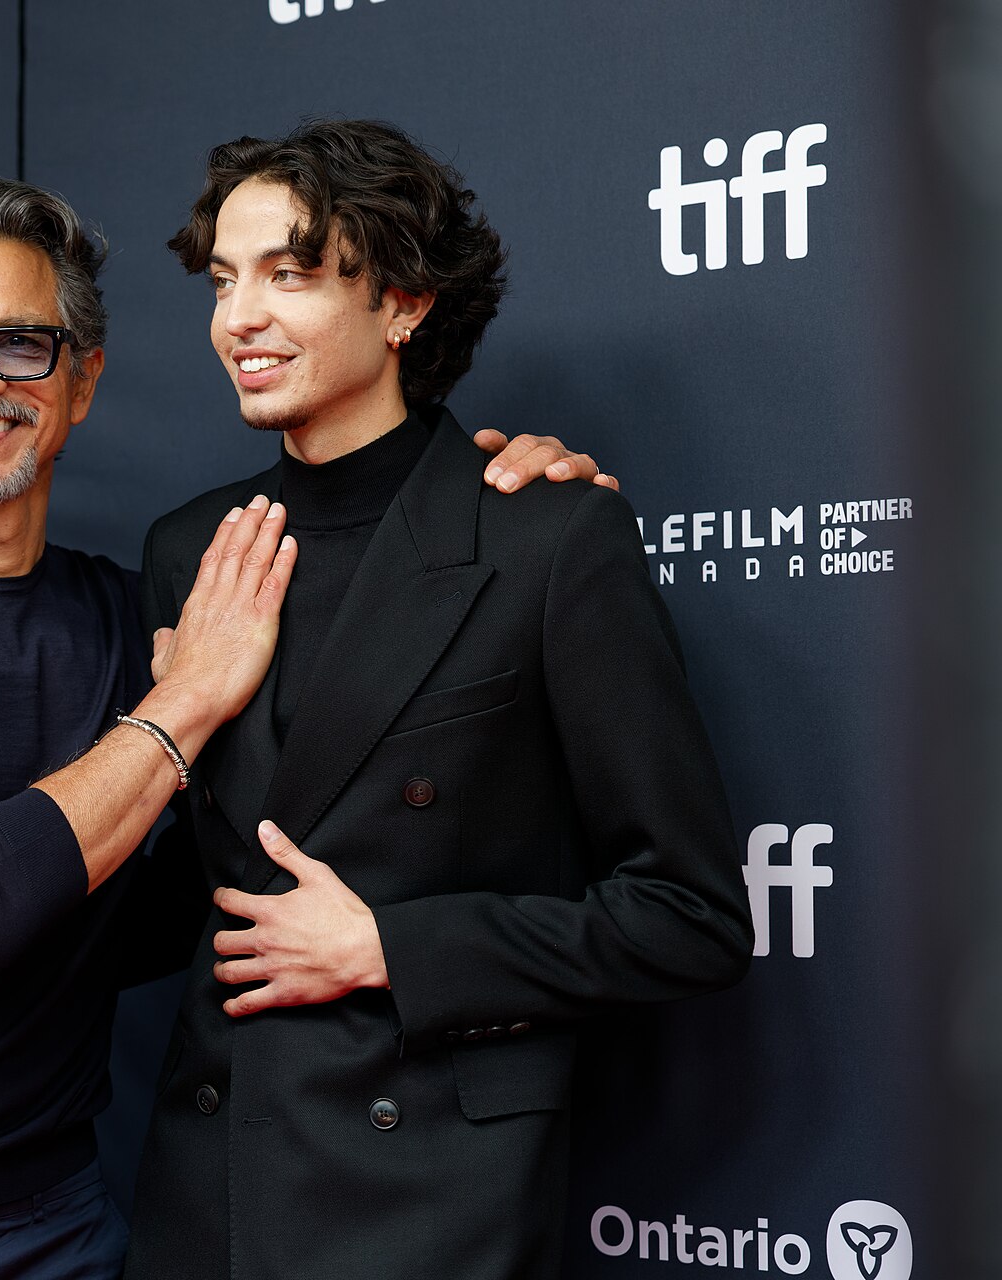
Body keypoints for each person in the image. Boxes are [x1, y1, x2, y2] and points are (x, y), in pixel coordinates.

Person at [0, 175, 608, 1280]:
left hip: (64, 1226)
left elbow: (200, 884)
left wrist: (497, 492)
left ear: (83, 380)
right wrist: (185, 701)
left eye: (22, 346)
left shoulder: (155, 611)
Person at [122, 121, 755, 1280]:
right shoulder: (189, 552)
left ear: (404, 302)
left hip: (425, 1206)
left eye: (291, 274)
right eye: (223, 281)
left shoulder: (548, 535)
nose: (238, 319)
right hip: (203, 1193)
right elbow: (196, 880)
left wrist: (392, 948)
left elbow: (691, 915)